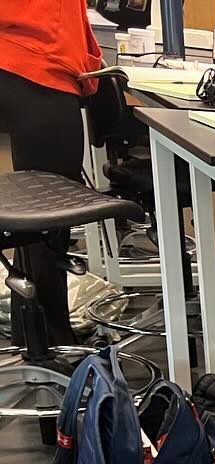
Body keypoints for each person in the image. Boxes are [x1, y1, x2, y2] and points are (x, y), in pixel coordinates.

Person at [0, 0, 101, 346]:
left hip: (30, 53)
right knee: (49, 218)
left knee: (37, 219)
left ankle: (32, 332)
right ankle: (52, 340)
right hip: (36, 59)